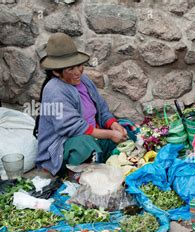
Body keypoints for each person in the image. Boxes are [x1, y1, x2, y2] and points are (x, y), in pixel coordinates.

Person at [35, 33, 129, 176]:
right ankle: (78, 171)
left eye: (79, 66)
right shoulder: (54, 90)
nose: (77, 72)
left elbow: (102, 108)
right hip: (62, 147)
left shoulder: (84, 81)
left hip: (93, 136)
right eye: (70, 69)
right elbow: (73, 127)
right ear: (55, 72)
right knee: (85, 146)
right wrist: (109, 134)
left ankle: (97, 160)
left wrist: (113, 125)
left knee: (127, 130)